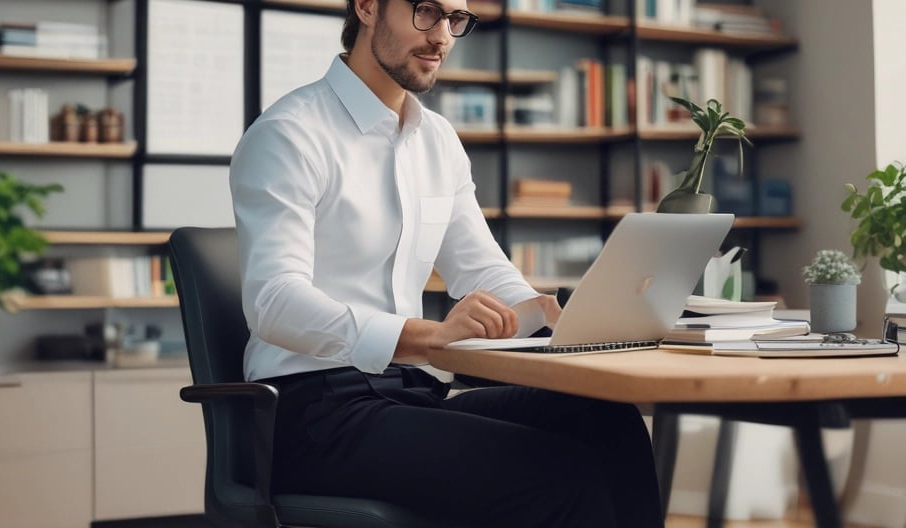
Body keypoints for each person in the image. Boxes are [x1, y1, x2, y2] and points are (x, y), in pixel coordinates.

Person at [228, 0, 665, 524]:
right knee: (560, 475)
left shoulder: (437, 140)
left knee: (606, 419)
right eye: (427, 12)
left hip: (410, 395)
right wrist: (427, 336)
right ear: (367, 7)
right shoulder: (289, 134)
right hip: (316, 413)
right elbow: (273, 302)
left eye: (455, 20)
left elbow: (480, 267)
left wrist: (546, 312)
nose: (442, 36)